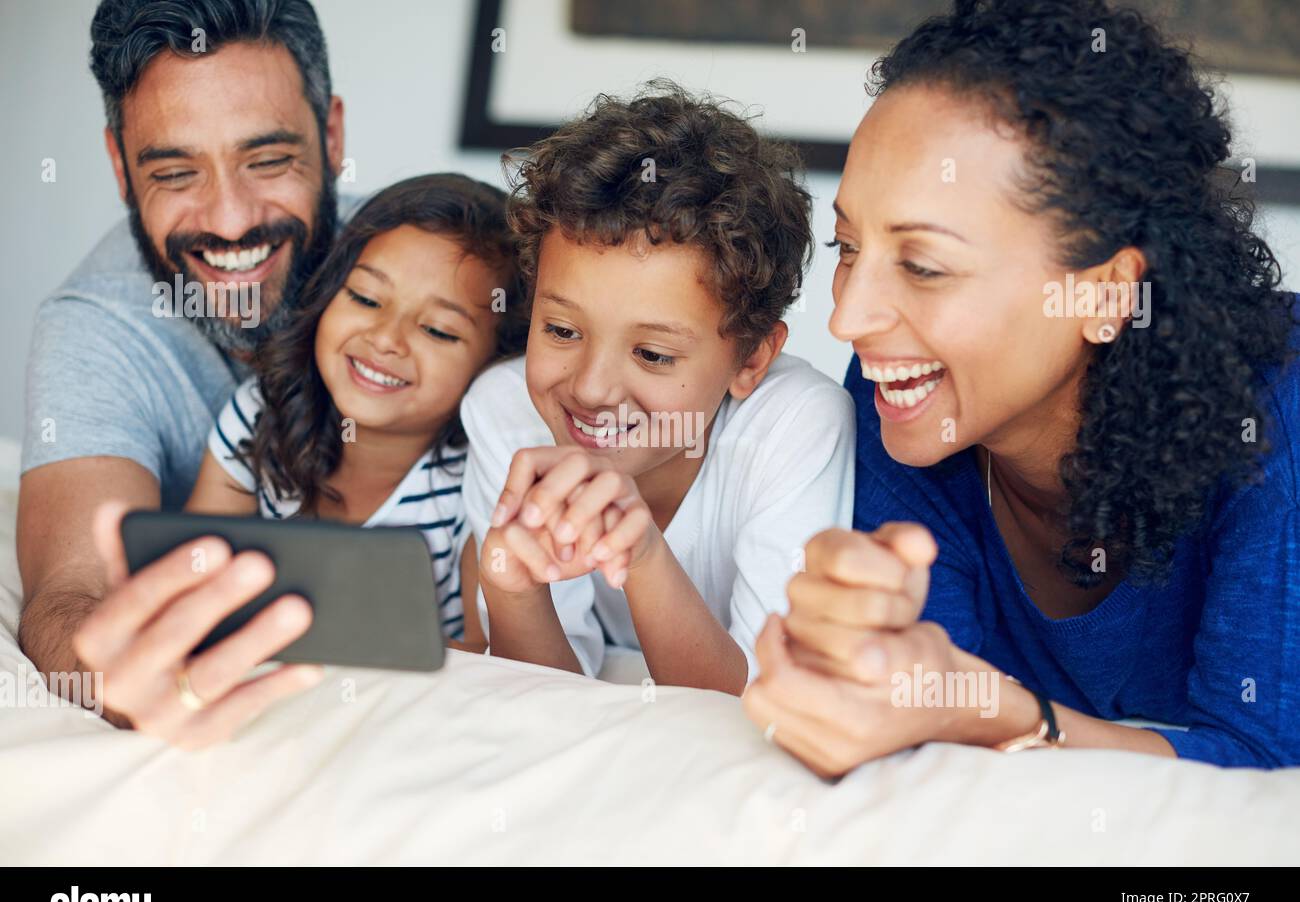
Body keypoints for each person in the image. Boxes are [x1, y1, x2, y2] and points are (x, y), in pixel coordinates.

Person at [744, 0, 1300, 772]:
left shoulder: (1278, 412)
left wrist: (1008, 715)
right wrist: (854, 667)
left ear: (1104, 294)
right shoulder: (904, 394)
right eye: (847, 247)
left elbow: (1268, 772)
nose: (849, 319)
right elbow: (925, 716)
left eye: (923, 266)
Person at [18, 0, 356, 746]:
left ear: (331, 136)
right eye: (175, 172)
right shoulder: (92, 328)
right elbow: (70, 594)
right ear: (119, 166)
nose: (231, 221)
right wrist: (118, 674)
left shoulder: (432, 266)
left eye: (268, 160)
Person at [460, 82, 856, 694]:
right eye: (562, 329)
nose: (590, 389)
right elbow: (540, 699)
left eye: (652, 353)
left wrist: (642, 556)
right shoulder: (503, 410)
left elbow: (760, 705)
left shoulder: (798, 424)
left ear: (750, 359)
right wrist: (512, 588)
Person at [188, 173, 529, 649]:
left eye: (438, 330)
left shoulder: (479, 476)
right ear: (327, 293)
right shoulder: (259, 412)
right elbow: (192, 578)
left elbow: (485, 654)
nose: (386, 339)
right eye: (366, 299)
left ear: (493, 364)